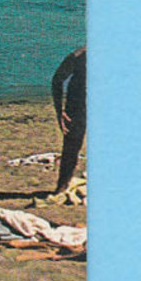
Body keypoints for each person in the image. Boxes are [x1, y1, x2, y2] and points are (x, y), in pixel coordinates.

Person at [50, 46, 87, 196]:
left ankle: (63, 184)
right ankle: (63, 184)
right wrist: (60, 111)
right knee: (72, 145)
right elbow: (57, 79)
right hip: (78, 103)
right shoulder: (78, 56)